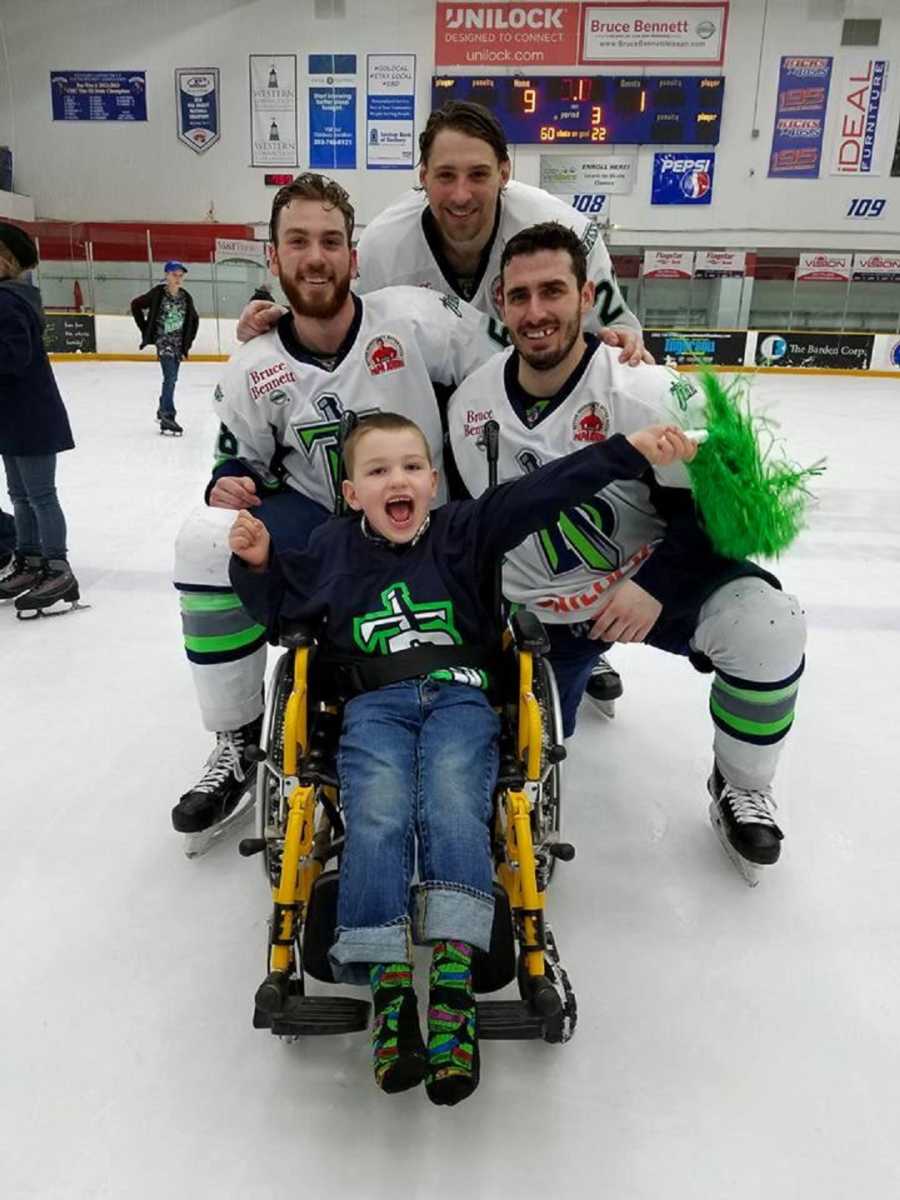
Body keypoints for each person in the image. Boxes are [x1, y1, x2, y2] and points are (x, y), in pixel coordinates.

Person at [228, 410, 698, 1102]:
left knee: (453, 803)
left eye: (412, 467)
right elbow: (278, 614)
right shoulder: (328, 548)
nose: (399, 480)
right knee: (380, 812)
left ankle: (451, 982)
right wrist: (258, 562)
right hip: (371, 701)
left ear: (434, 481)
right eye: (379, 470)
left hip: (462, 697)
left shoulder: (464, 531)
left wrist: (626, 450)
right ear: (352, 492)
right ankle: (391, 992)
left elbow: (548, 491)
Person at [237, 101, 649, 711]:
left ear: (505, 172)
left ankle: (575, 633)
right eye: (445, 175)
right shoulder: (382, 243)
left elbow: (601, 323)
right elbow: (339, 311)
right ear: (421, 176)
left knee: (544, 486)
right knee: (448, 526)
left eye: (478, 174)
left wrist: (618, 340)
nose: (461, 194)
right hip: (429, 392)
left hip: (523, 379)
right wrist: (273, 317)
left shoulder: (556, 224)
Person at [448, 222, 807, 880]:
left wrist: (658, 586)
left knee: (769, 624)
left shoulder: (645, 390)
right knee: (507, 768)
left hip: (641, 586)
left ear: (587, 296)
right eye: (520, 295)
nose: (536, 312)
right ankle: (577, 676)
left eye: (553, 291)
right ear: (501, 303)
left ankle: (741, 783)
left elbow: (727, 504)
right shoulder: (470, 402)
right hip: (536, 617)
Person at [171, 173, 502, 838]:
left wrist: (596, 347)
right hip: (321, 518)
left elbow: (512, 355)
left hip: (420, 518)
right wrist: (229, 482)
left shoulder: (412, 316)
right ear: (274, 257)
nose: (315, 256)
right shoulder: (255, 362)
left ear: (354, 256)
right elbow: (237, 461)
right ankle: (237, 740)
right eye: (297, 241)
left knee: (506, 521)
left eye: (330, 241)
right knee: (204, 539)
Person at [0, 222, 81, 617]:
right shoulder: (11, 296)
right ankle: (30, 560)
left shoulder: (9, 301)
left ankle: (57, 567)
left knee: (40, 495)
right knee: (19, 495)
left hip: (31, 415)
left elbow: (13, 356)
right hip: (14, 417)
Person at [130, 260, 199, 435]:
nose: (178, 278)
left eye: (181, 275)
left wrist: (187, 344)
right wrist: (145, 329)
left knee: (172, 379)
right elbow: (136, 305)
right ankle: (168, 415)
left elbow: (194, 320)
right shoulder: (157, 294)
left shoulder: (186, 297)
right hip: (164, 343)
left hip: (178, 345)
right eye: (175, 275)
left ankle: (162, 409)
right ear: (167, 275)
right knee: (170, 377)